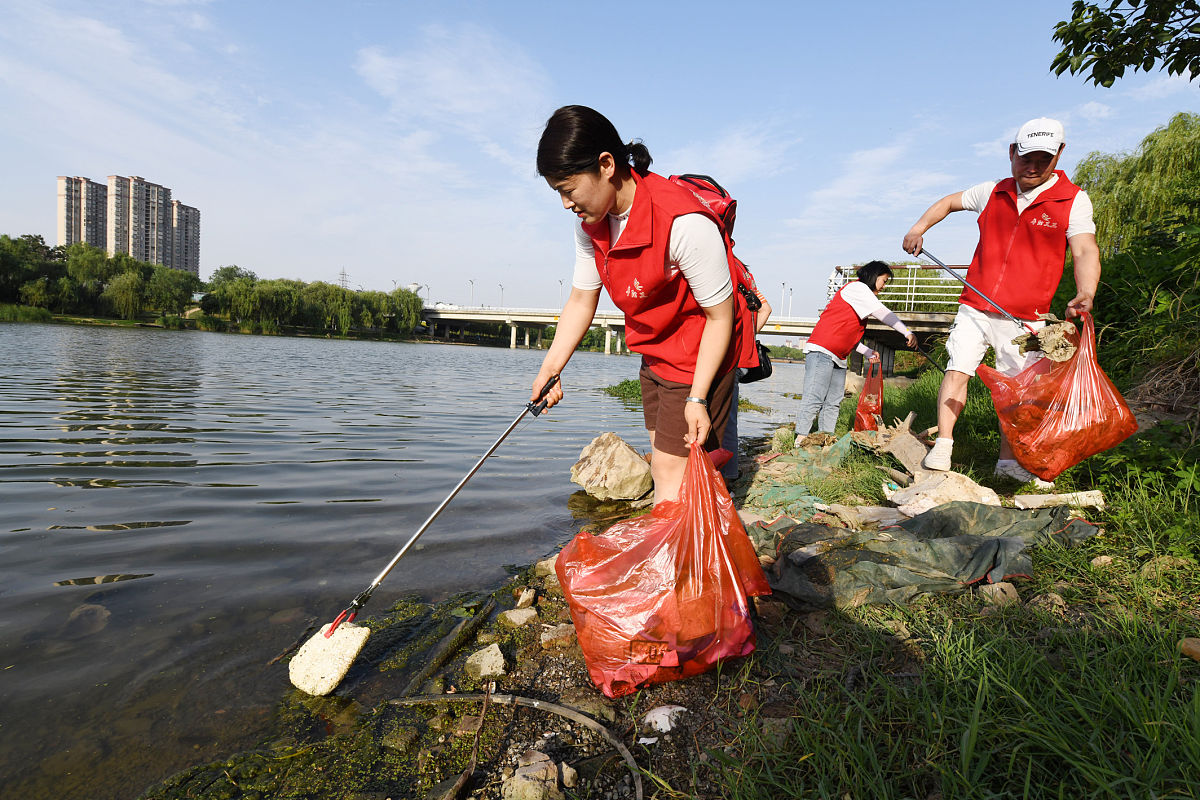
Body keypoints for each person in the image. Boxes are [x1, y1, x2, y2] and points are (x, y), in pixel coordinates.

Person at [530, 105, 756, 505]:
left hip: (698, 355)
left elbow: (722, 317)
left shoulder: (682, 222)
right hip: (653, 355)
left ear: (606, 164)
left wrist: (699, 397)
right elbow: (583, 299)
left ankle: (681, 559)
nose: (566, 204)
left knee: (671, 474)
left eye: (568, 190)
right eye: (558, 194)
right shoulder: (592, 225)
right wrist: (550, 369)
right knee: (669, 464)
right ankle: (685, 541)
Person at [901, 117, 1101, 486]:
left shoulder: (1073, 201)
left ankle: (1007, 462)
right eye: (1026, 157)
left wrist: (1085, 292)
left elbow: (1085, 250)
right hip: (975, 306)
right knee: (957, 368)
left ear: (1059, 154)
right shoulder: (990, 191)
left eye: (1044, 157)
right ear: (1012, 152)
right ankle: (943, 445)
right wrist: (918, 228)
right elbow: (947, 202)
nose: (1033, 166)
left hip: (1026, 319)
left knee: (1016, 390)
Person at [797, 261, 917, 435]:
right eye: (883, 281)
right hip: (821, 351)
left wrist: (866, 352)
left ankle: (824, 438)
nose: (884, 286)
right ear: (874, 276)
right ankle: (800, 439)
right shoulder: (858, 289)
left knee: (833, 402)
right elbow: (883, 313)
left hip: (838, 356)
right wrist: (906, 332)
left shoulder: (862, 297)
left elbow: (847, 335)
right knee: (814, 398)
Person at [721, 271, 772, 482]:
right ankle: (729, 476)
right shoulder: (747, 277)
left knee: (715, 418)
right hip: (738, 358)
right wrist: (746, 341)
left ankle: (718, 477)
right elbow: (766, 309)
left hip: (723, 358)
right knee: (729, 420)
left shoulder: (727, 270)